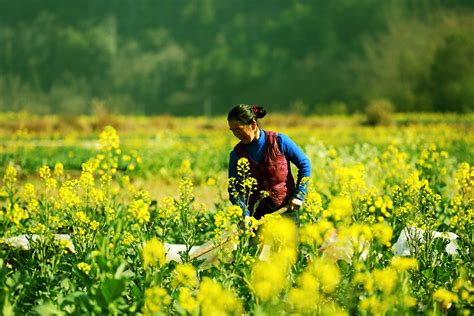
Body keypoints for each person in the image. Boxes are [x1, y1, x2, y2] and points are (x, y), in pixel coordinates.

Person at [227, 104, 311, 224]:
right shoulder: (236, 155)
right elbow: (234, 188)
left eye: (239, 129)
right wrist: (244, 213)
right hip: (257, 218)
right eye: (233, 130)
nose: (236, 134)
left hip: (285, 210)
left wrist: (299, 195)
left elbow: (305, 164)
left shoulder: (279, 141)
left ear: (253, 125)